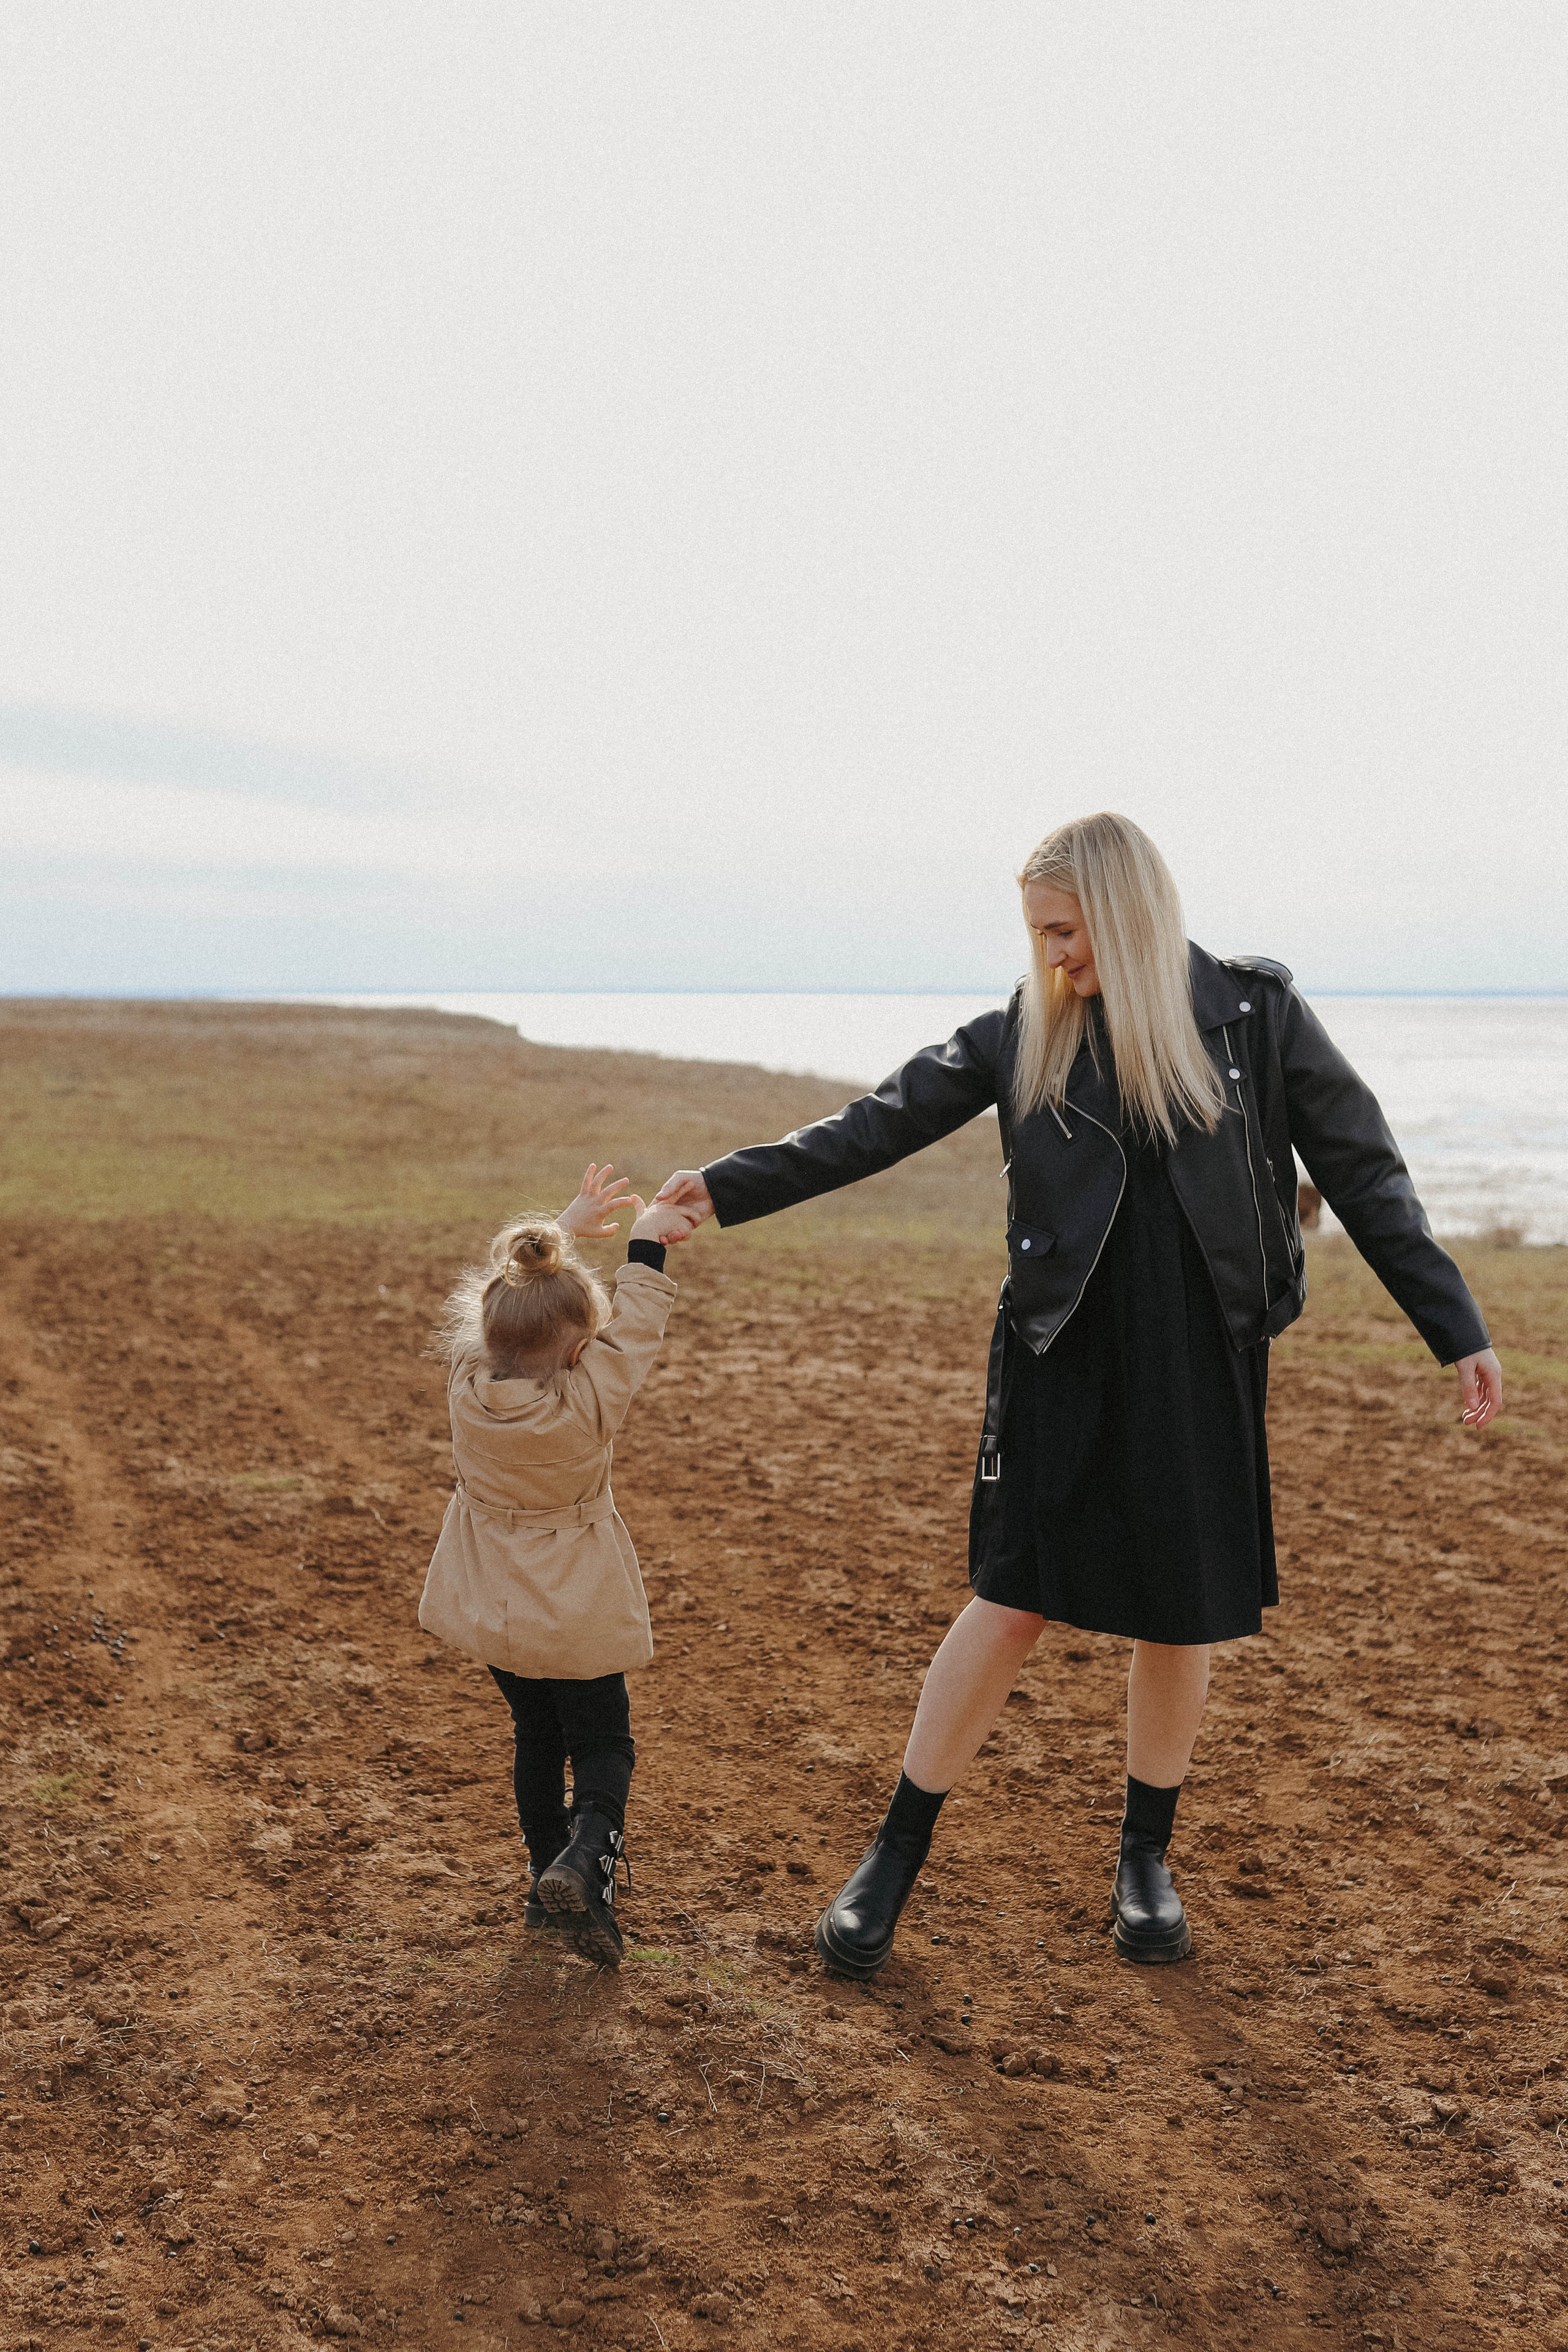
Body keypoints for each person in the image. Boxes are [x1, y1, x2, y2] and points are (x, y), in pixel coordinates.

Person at [654, 813, 1501, 1978]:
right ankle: (892, 1860)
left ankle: (1144, 1860)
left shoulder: (1254, 1017)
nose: (1050, 955)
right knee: (1011, 1600)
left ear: (1125, 912)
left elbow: (1363, 1168)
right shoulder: (1026, 1031)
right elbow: (878, 1123)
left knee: (1178, 1611)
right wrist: (728, 1187)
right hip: (1060, 1352)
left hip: (1204, 1356)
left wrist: (1453, 1324)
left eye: (1064, 930)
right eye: (1037, 934)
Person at [420, 1164, 695, 1966]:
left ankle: (548, 1884)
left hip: (496, 1612)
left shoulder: (466, 1385)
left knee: (536, 1739)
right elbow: (637, 1328)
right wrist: (646, 1247)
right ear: (580, 1349)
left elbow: (500, 1303)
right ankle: (584, 1860)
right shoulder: (588, 1402)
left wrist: (560, 1233)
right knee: (604, 1744)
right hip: (573, 1610)